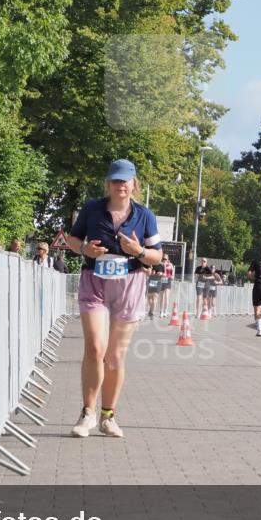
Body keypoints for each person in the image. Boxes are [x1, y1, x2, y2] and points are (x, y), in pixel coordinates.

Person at [64, 159, 162, 439]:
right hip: (94, 281)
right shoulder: (92, 209)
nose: (120, 185)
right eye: (115, 180)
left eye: (125, 180)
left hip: (129, 284)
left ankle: (108, 416)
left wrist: (138, 251)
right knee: (95, 348)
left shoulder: (145, 216)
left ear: (134, 184)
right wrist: (85, 249)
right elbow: (72, 240)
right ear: (108, 184)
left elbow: (157, 256)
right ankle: (87, 413)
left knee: (115, 356)